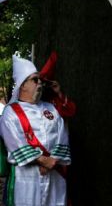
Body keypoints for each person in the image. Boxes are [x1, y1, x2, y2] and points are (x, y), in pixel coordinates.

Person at [0, 55, 70, 206]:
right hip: (26, 176)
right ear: (22, 85)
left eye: (40, 80)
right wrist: (44, 161)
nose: (40, 83)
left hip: (54, 175)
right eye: (35, 80)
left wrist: (54, 160)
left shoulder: (51, 108)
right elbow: (15, 143)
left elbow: (62, 134)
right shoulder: (10, 112)